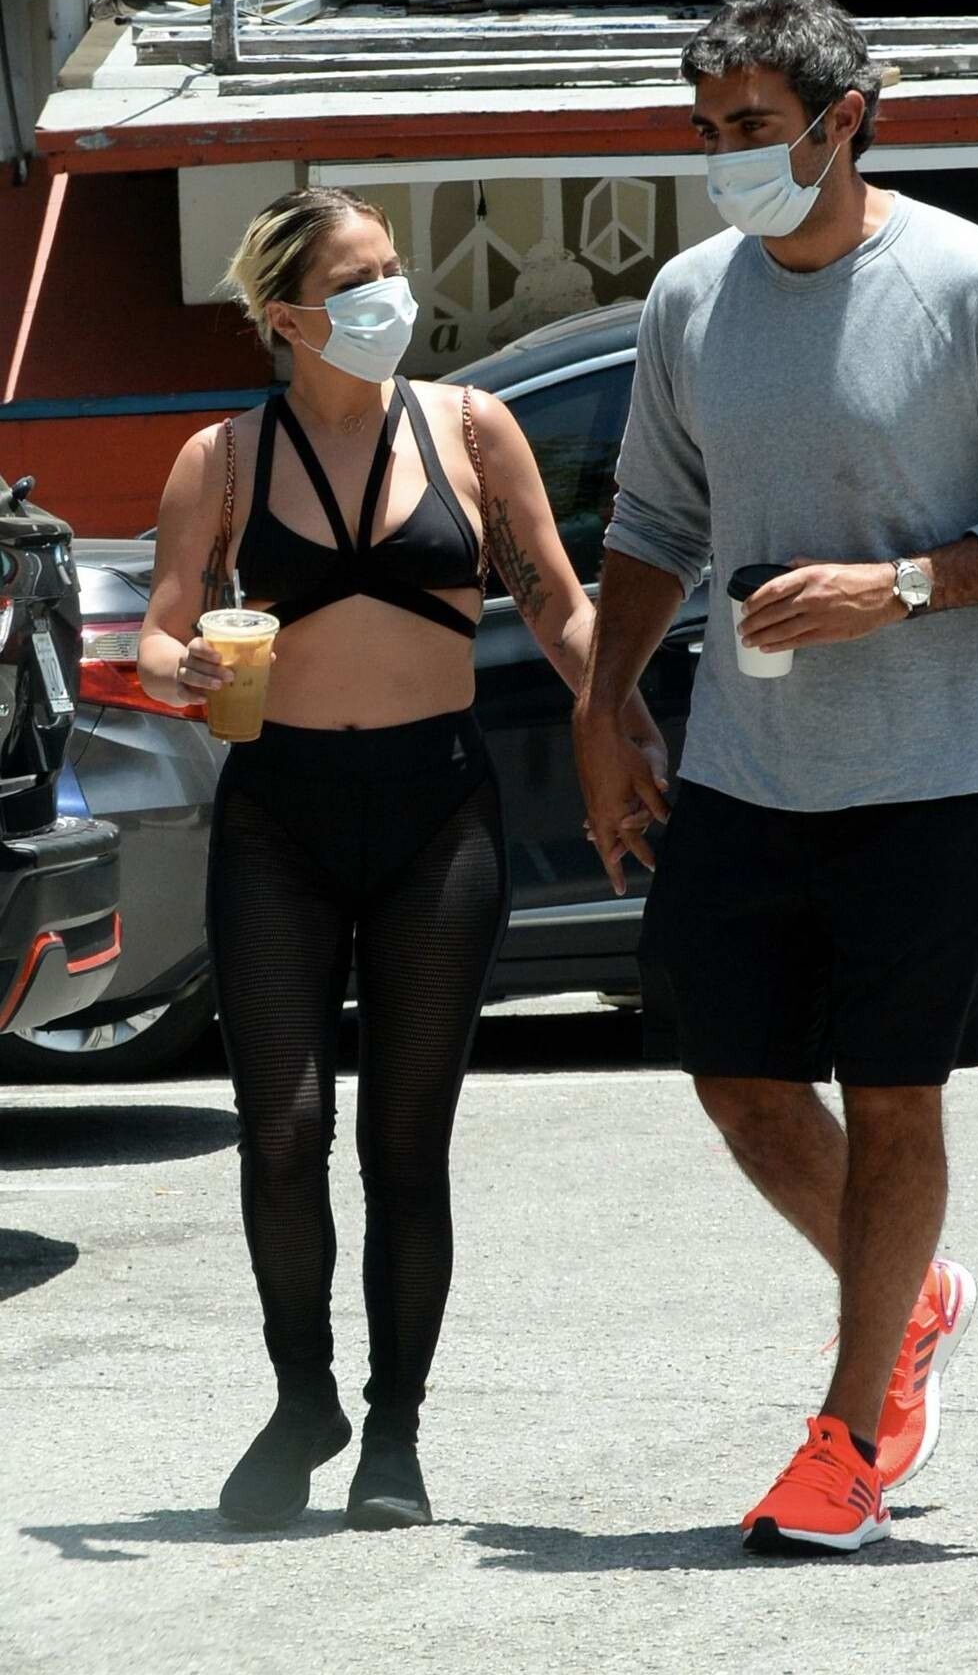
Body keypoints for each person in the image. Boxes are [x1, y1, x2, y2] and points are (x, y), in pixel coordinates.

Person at [573, 0, 978, 1556]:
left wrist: (898, 587)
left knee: (894, 1101)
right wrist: (607, 708)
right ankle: (914, 1298)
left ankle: (848, 1442)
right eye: (706, 131)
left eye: (752, 126)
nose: (726, 157)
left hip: (942, 770)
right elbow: (655, 521)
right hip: (750, 769)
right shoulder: (692, 299)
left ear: (847, 119)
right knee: (737, 1082)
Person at [138, 186, 666, 1532]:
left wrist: (621, 717)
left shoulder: (472, 429)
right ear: (287, 317)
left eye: (392, 268)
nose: (392, 296)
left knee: (404, 1141)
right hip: (280, 814)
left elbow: (558, 604)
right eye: (357, 281)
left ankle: (394, 1430)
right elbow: (162, 629)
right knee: (280, 1131)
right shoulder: (223, 458)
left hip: (436, 813)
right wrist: (179, 668)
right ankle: (301, 1397)